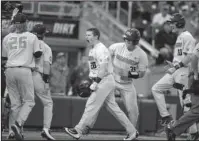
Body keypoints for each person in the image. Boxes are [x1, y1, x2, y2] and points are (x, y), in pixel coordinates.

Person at [64, 28, 138, 140]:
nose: (86, 37)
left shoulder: (101, 49)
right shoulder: (92, 50)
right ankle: (132, 131)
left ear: (96, 36)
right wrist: (92, 80)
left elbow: (103, 67)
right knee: (114, 109)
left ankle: (78, 130)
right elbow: (95, 68)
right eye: (86, 35)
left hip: (104, 80)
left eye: (89, 35)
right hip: (103, 80)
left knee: (91, 104)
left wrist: (96, 82)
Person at [151, 13, 196, 131]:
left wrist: (176, 66)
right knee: (156, 88)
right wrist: (174, 64)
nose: (171, 25)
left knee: (186, 105)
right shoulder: (180, 36)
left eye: (172, 23)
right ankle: (166, 116)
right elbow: (183, 56)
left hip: (183, 73)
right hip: (176, 70)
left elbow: (190, 57)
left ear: (179, 24)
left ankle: (194, 133)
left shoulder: (187, 36)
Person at [2, 13, 42, 140]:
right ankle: (18, 124)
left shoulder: (7, 37)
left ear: (15, 24)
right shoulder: (32, 37)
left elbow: (3, 59)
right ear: (26, 23)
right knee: (29, 101)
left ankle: (11, 133)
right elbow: (38, 54)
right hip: (24, 70)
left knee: (15, 104)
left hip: (9, 70)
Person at [109, 28, 148, 128]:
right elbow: (106, 59)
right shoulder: (116, 47)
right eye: (126, 39)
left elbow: (142, 73)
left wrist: (128, 74)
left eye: (129, 40)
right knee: (97, 100)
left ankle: (132, 133)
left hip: (127, 84)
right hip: (112, 81)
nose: (127, 41)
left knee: (133, 110)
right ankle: (83, 127)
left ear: (135, 41)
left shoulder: (142, 54)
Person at [165, 42, 199, 141]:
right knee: (197, 111)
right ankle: (173, 128)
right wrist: (196, 76)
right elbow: (194, 58)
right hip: (197, 77)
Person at [31, 24, 55, 140]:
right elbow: (46, 65)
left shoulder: (27, 45)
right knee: (48, 103)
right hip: (38, 76)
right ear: (43, 35)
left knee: (21, 103)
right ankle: (46, 129)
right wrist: (46, 81)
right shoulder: (46, 47)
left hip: (23, 74)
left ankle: (13, 129)